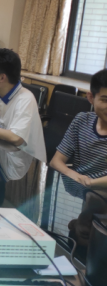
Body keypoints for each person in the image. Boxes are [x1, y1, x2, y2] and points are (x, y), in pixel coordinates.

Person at [0, 49, 46, 162]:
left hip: (23, 161)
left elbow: (16, 138)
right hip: (1, 151)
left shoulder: (26, 99)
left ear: (2, 78)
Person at [50, 69, 107, 198]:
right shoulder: (82, 120)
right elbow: (56, 161)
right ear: (91, 98)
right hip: (78, 192)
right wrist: (77, 177)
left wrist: (90, 183)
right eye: (105, 100)